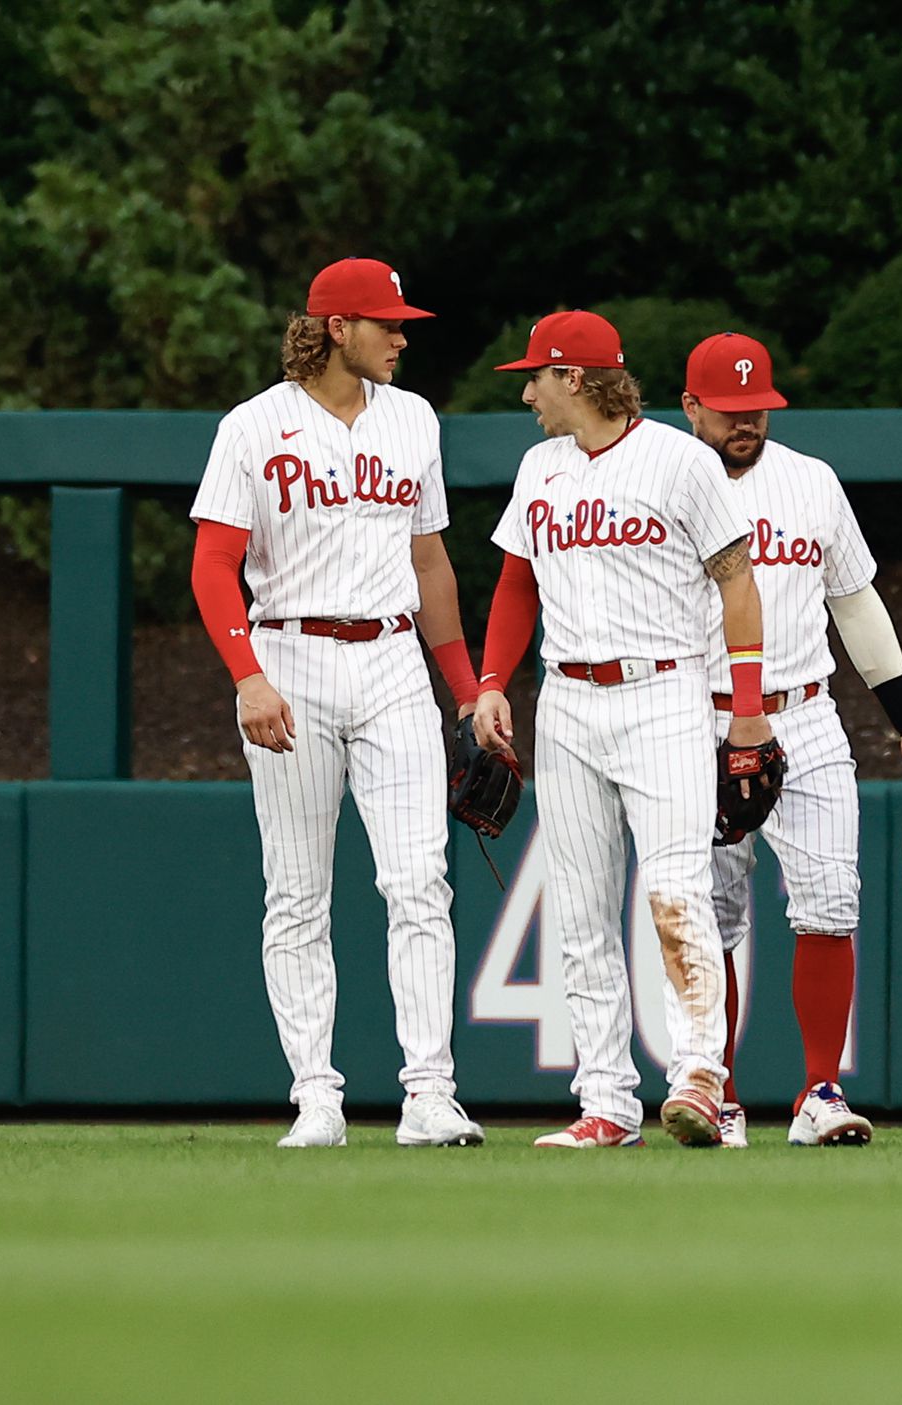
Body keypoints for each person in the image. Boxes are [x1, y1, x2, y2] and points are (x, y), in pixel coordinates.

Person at [189, 257, 485, 1150]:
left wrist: (467, 690)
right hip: (289, 653)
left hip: (393, 657)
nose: (402, 336)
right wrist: (247, 675)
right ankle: (316, 1094)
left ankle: (429, 1092)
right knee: (297, 891)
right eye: (386, 323)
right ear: (334, 328)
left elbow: (430, 563)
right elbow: (212, 564)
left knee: (419, 882)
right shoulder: (254, 425)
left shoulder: (414, 419)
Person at [470, 309, 771, 1149]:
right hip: (566, 699)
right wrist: (493, 682)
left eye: (535, 375)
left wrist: (744, 704)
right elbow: (516, 584)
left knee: (677, 889)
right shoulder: (541, 467)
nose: (526, 391)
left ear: (575, 378)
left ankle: (701, 1076)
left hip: (663, 691)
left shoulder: (680, 459)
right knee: (581, 904)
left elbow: (738, 586)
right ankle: (604, 1096)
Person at [677, 331, 902, 1149]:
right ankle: (718, 1090)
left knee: (832, 899)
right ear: (691, 407)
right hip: (697, 712)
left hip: (803, 709)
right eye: (729, 410)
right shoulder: (661, 479)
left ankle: (819, 1090)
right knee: (708, 911)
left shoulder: (811, 481)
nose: (746, 423)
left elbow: (857, 605)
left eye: (757, 407)